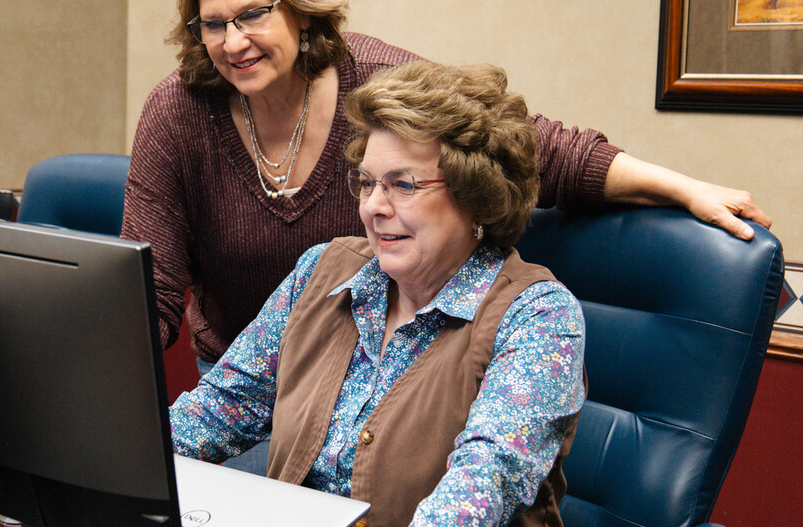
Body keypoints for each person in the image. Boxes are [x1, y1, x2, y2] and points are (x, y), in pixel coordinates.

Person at [120, 0, 770, 472]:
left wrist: (683, 188)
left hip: (379, 394)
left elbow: (530, 146)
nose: (234, 41)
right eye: (213, 24)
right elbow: (152, 312)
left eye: (253, 14)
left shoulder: (379, 90)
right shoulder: (315, 268)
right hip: (259, 377)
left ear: (295, 6)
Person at [170, 60, 586, 526]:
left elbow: (481, 489)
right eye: (367, 183)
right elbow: (223, 404)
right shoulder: (320, 272)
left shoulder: (540, 317)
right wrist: (120, 463)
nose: (372, 207)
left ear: (477, 196)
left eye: (402, 185)